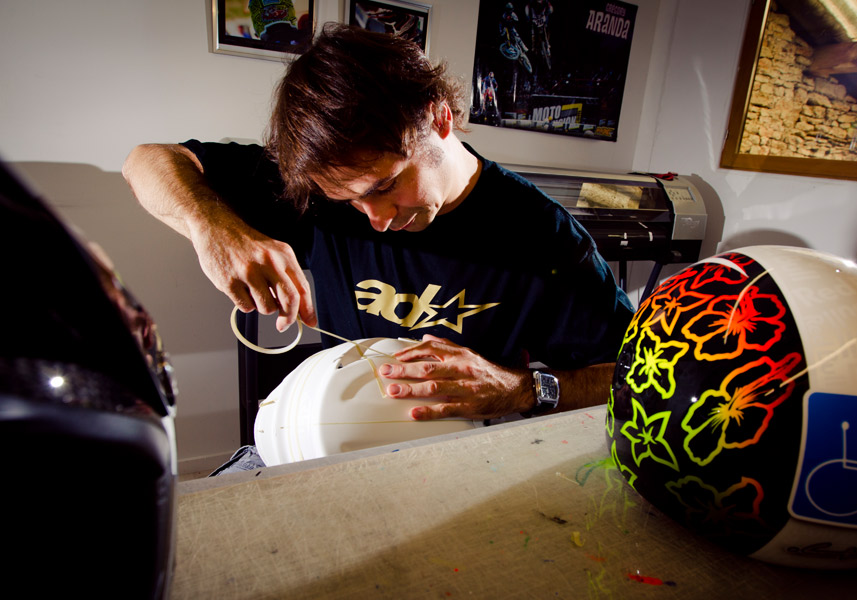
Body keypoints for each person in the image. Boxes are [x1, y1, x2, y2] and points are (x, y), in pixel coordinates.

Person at [122, 23, 633, 426]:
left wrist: (521, 388)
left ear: (439, 118)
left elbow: (629, 380)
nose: (377, 221)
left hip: (464, 455)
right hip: (343, 436)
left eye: (385, 186)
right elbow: (145, 161)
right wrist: (216, 231)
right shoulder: (327, 189)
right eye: (347, 200)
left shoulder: (545, 237)